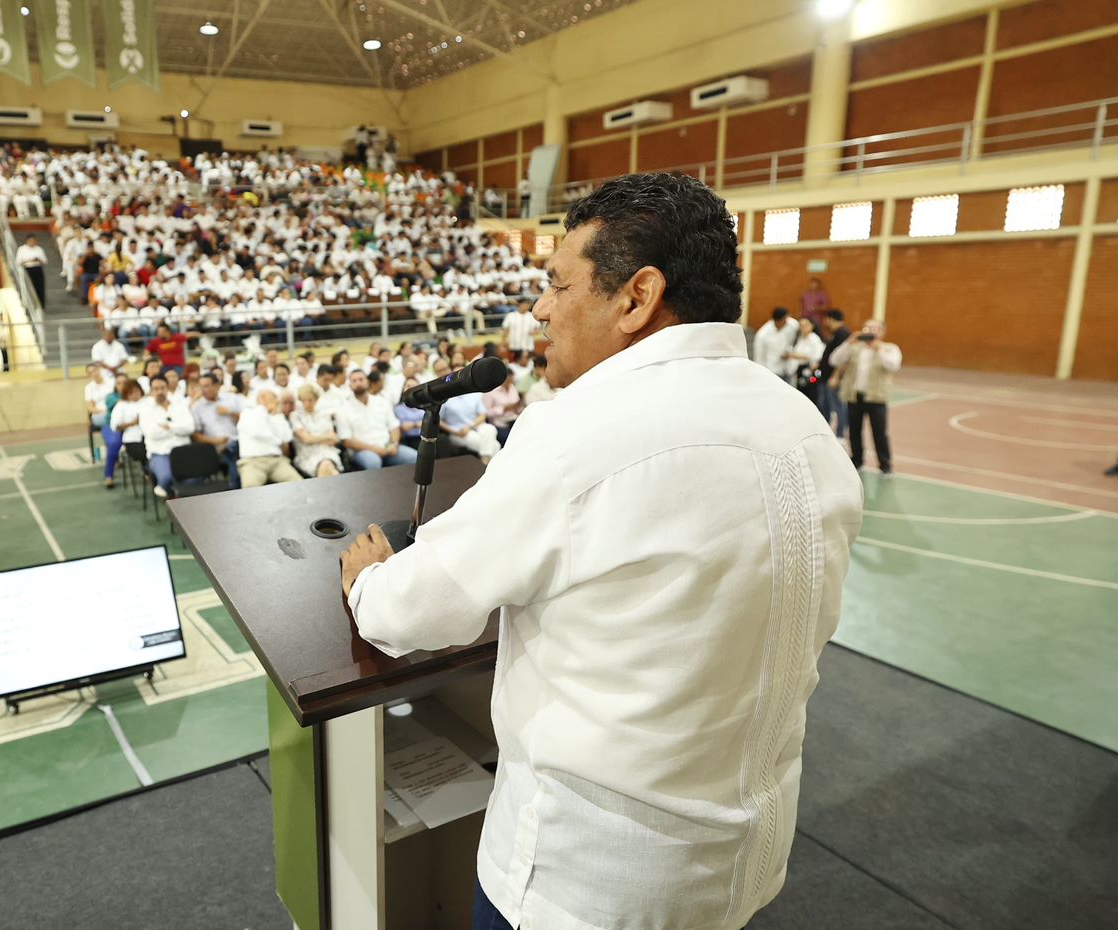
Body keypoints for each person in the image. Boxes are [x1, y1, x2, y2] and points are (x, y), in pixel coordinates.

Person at [339, 173, 863, 930]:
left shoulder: (576, 431)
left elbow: (413, 614)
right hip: (736, 871)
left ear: (636, 298)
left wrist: (368, 580)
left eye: (558, 284)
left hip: (582, 885)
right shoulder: (807, 429)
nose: (540, 308)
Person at [828, 319, 902, 477]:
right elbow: (834, 360)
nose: (870, 332)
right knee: (854, 431)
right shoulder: (854, 347)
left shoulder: (889, 349)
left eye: (875, 329)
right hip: (855, 396)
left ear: (882, 332)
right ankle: (857, 461)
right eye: (867, 328)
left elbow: (893, 366)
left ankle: (885, 465)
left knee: (879, 432)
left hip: (876, 398)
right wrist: (848, 342)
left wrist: (878, 350)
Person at [334, 369, 417, 470]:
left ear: (368, 381)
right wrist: (376, 450)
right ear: (349, 385)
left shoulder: (381, 401)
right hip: (363, 450)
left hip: (388, 446)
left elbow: (394, 426)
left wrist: (394, 444)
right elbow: (346, 440)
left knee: (414, 457)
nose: (358, 383)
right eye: (354, 381)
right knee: (373, 462)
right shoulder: (343, 409)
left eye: (361, 379)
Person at [138, 376, 195, 498]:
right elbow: (152, 433)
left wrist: (168, 426)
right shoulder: (145, 409)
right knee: (166, 478)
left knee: (195, 477)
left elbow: (190, 427)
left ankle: (178, 496)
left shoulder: (179, 404)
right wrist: (178, 428)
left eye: (162, 388)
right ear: (151, 391)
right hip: (160, 453)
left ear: (167, 388)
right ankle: (172, 496)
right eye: (156, 389)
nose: (159, 392)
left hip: (183, 450)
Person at [236, 390, 302, 487]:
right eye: (274, 397)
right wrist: (278, 441)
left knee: (299, 483)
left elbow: (287, 437)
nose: (277, 401)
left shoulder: (275, 416)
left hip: (276, 460)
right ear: (262, 398)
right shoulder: (248, 413)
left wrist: (277, 416)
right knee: (249, 489)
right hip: (252, 462)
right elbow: (258, 432)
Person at [190, 373, 243, 488]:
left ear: (217, 385)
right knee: (232, 456)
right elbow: (196, 436)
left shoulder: (230, 398)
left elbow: (245, 420)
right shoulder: (197, 408)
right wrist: (216, 441)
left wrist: (230, 412)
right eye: (202, 386)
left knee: (237, 451)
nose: (204, 390)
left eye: (207, 386)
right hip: (217, 447)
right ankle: (236, 489)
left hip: (239, 441)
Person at [290, 384, 343, 478]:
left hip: (327, 451)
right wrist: (325, 436)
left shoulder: (324, 415)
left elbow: (333, 440)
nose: (306, 403)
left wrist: (313, 438)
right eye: (303, 400)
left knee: (326, 465)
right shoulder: (295, 416)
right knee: (327, 468)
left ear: (316, 399)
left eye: (310, 400)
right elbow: (306, 439)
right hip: (307, 455)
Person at [440, 385, 502, 463]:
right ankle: (490, 466)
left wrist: (470, 426)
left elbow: (483, 414)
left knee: (490, 428)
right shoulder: (445, 399)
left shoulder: (473, 395)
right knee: (496, 445)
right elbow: (439, 420)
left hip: (475, 425)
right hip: (458, 431)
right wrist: (456, 432)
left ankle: (485, 461)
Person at [104, 378, 144, 489]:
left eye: (137, 391)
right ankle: (109, 475)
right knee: (114, 444)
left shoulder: (147, 402)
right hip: (126, 433)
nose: (135, 395)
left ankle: (148, 471)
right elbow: (115, 426)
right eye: (131, 393)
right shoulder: (119, 403)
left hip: (147, 433)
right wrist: (133, 423)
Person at [816, 309, 850, 437]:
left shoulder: (843, 334)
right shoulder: (834, 333)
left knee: (837, 406)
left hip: (832, 378)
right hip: (824, 376)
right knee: (825, 405)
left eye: (827, 319)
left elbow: (843, 359)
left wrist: (835, 376)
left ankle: (840, 433)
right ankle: (826, 431)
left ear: (830, 319)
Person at [784, 316, 825, 403]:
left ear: (812, 326)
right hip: (799, 368)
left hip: (810, 369)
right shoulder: (800, 338)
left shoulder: (814, 338)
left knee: (810, 395)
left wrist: (798, 356)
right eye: (801, 325)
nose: (803, 328)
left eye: (806, 325)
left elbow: (817, 356)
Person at [750, 306, 797, 380]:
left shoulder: (792, 324)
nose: (787, 321)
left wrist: (789, 351)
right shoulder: (763, 334)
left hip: (787, 369)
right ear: (778, 320)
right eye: (785, 319)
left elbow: (795, 340)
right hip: (772, 371)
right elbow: (758, 356)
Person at [482, 373, 523, 445]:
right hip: (499, 422)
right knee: (510, 439)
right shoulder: (490, 391)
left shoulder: (512, 387)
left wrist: (518, 406)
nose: (509, 383)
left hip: (514, 418)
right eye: (507, 381)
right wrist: (503, 408)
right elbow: (486, 412)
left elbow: (517, 403)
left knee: (525, 434)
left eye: (511, 381)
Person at [16, 234, 48, 308]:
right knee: (30, 287)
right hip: (28, 269)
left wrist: (38, 260)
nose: (32, 242)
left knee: (40, 287)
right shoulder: (22, 249)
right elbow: (18, 261)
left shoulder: (39, 249)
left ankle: (41, 305)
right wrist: (29, 260)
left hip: (37, 268)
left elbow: (45, 261)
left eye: (34, 241)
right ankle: (31, 305)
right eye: (30, 241)